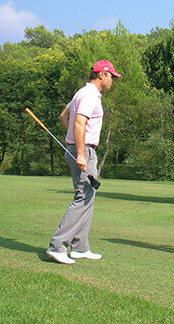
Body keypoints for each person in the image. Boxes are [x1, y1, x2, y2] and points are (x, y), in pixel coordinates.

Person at [46, 59, 121, 264]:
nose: (113, 81)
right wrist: (80, 152)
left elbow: (64, 117)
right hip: (84, 151)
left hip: (78, 148)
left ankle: (80, 247)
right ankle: (57, 246)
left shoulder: (82, 92)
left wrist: (72, 141)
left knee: (88, 195)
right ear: (102, 74)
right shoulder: (89, 95)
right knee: (83, 197)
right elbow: (78, 122)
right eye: (111, 76)